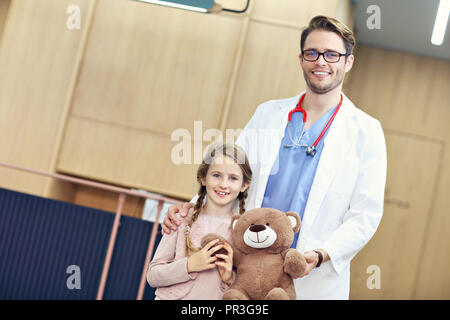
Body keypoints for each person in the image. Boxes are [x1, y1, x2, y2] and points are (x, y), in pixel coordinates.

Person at [161, 16, 387, 300]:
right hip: (245, 269)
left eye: (332, 54)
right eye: (312, 53)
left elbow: (365, 216)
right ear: (302, 59)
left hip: (310, 275)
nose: (321, 62)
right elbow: (230, 174)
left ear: (348, 62)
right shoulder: (268, 114)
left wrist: (321, 255)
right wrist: (190, 210)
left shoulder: (367, 132)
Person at [147, 143, 252, 300]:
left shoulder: (243, 233)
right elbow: (153, 276)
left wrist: (229, 279)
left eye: (233, 178)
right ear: (203, 178)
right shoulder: (181, 218)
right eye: (216, 175)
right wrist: (189, 265)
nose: (223, 184)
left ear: (244, 185)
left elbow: (247, 292)